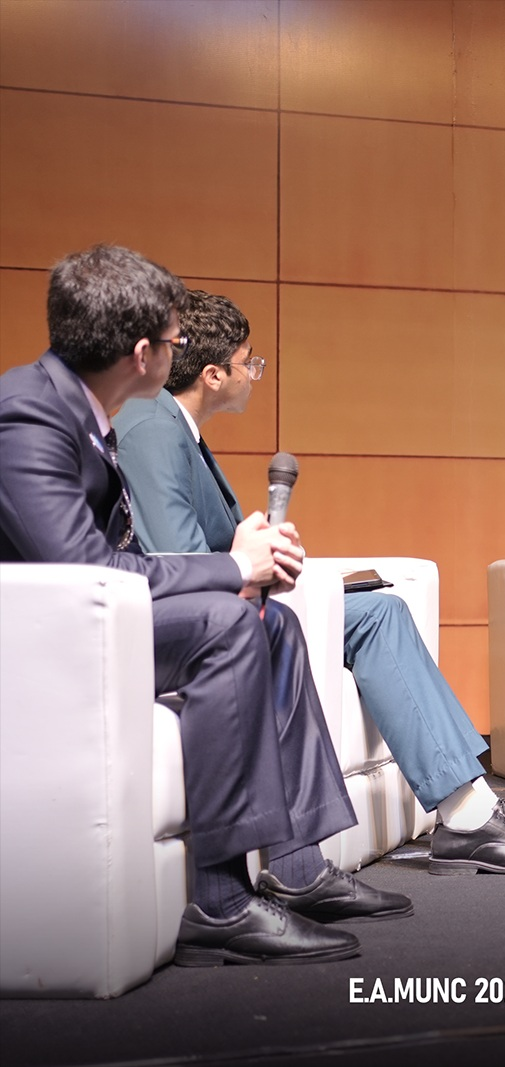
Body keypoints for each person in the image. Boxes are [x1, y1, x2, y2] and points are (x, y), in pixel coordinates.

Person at [0, 245, 400, 965]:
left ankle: (298, 865)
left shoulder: (80, 405)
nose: (179, 351)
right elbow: (82, 568)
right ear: (143, 354)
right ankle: (221, 903)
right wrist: (231, 568)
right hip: (44, 638)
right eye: (175, 340)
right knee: (227, 623)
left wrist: (240, 562)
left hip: (93, 618)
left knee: (272, 622)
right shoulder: (28, 414)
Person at [111, 291, 505, 874]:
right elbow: (178, 555)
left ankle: (471, 809)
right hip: (195, 620)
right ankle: (468, 816)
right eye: (247, 362)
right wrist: (253, 559)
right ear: (213, 375)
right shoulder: (152, 426)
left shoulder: (175, 426)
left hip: (227, 602)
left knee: (378, 607)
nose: (254, 373)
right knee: (379, 615)